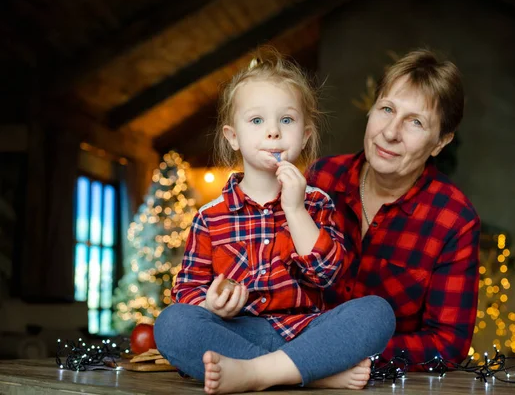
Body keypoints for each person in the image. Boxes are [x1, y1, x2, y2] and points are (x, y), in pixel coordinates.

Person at [154, 48, 395, 394]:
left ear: (306, 135)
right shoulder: (209, 217)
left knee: (376, 313)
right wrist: (211, 303)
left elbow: (327, 275)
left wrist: (295, 210)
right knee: (171, 324)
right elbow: (186, 290)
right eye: (256, 121)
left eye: (286, 120)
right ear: (232, 136)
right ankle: (312, 374)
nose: (273, 133)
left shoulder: (316, 202)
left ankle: (256, 374)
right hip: (237, 330)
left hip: (305, 330)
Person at [306, 49, 481, 368]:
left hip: (380, 382)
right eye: (386, 109)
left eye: (415, 122)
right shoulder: (319, 179)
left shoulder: (454, 219)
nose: (390, 133)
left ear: (441, 142)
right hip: (285, 363)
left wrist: (342, 353)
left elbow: (448, 344)